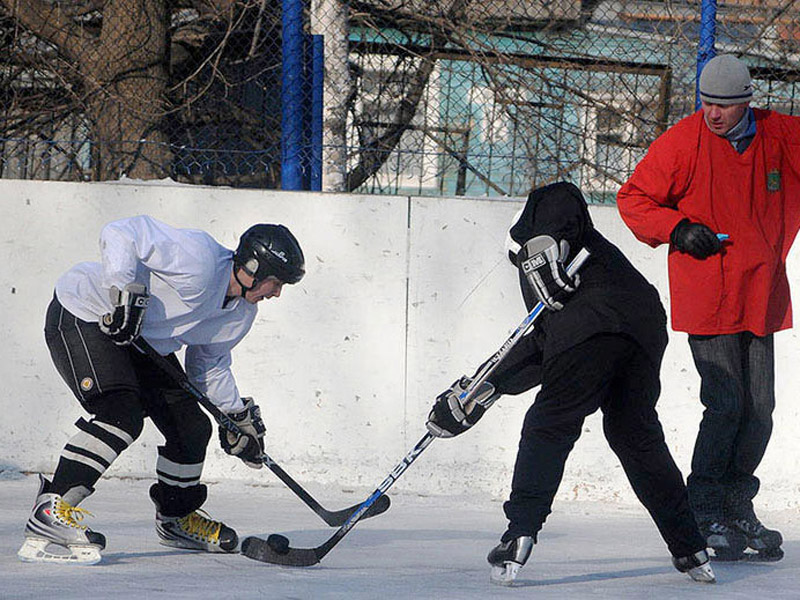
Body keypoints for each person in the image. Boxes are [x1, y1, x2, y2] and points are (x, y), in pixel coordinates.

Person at [425, 182, 714, 585]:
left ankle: (519, 534)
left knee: (549, 425)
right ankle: (691, 547)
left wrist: (538, 242)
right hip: (642, 326)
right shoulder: (572, 271)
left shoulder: (547, 230)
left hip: (594, 326)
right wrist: (480, 390)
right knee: (636, 436)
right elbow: (542, 345)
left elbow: (560, 194)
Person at [17, 215, 305, 565]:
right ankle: (52, 510)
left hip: (144, 342)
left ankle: (176, 517)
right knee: (120, 414)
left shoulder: (241, 313)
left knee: (192, 428)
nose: (276, 293)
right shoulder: (199, 259)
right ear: (251, 268)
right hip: (87, 313)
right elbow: (122, 232)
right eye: (274, 282)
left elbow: (208, 365)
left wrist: (234, 418)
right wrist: (123, 293)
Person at [616, 54, 800, 561]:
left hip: (760, 292)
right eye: (707, 103)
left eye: (725, 105)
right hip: (710, 293)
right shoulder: (683, 141)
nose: (714, 114)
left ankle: (739, 505)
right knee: (726, 405)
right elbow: (633, 198)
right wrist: (676, 228)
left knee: (760, 410)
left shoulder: (777, 135)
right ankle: (704, 509)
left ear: (747, 102)